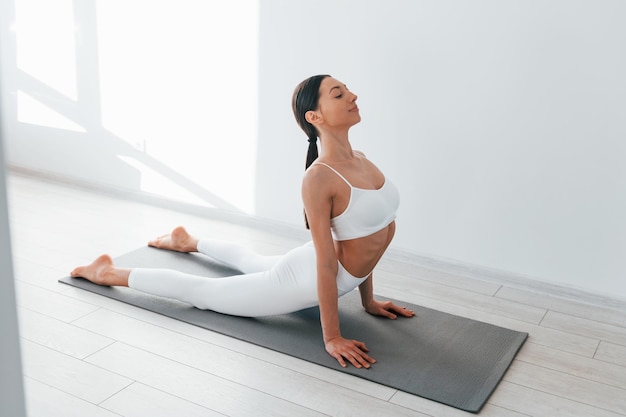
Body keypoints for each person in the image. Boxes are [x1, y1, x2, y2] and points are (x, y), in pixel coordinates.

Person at [71, 74, 414, 369]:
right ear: (315, 116)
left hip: (311, 267)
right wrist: (333, 337)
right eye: (338, 94)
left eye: (347, 90)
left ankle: (188, 241)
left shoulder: (363, 160)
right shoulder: (319, 178)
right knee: (202, 292)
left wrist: (368, 302)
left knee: (253, 262)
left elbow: (369, 235)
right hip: (305, 280)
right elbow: (328, 263)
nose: (352, 96)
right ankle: (106, 272)